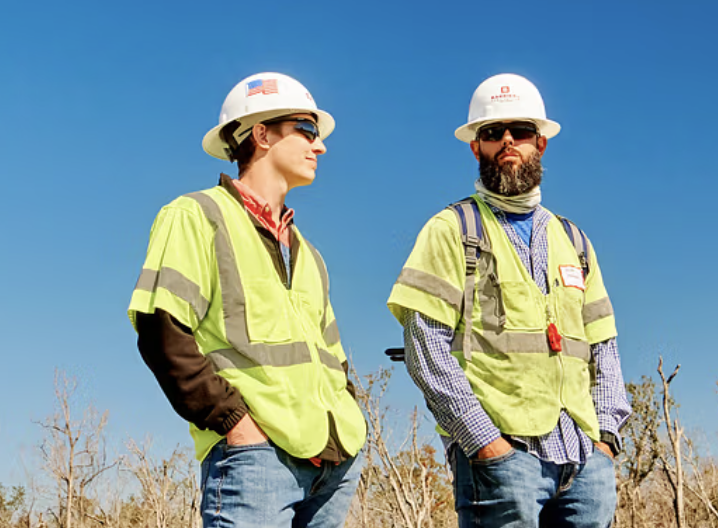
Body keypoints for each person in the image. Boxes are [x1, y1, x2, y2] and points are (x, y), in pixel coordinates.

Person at [387, 73, 630, 528]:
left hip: (584, 460)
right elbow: (425, 345)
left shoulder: (573, 240)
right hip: (501, 458)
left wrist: (605, 442)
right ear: (475, 147)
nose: (506, 142)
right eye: (492, 133)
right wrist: (483, 442)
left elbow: (604, 347)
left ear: (540, 142)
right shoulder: (451, 229)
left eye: (518, 131)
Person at [128, 71, 366, 528]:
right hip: (256, 460)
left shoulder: (310, 254)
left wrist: (351, 424)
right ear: (261, 134)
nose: (320, 147)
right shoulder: (197, 216)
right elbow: (161, 330)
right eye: (308, 130)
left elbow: (333, 360)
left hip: (335, 464)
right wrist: (236, 424)